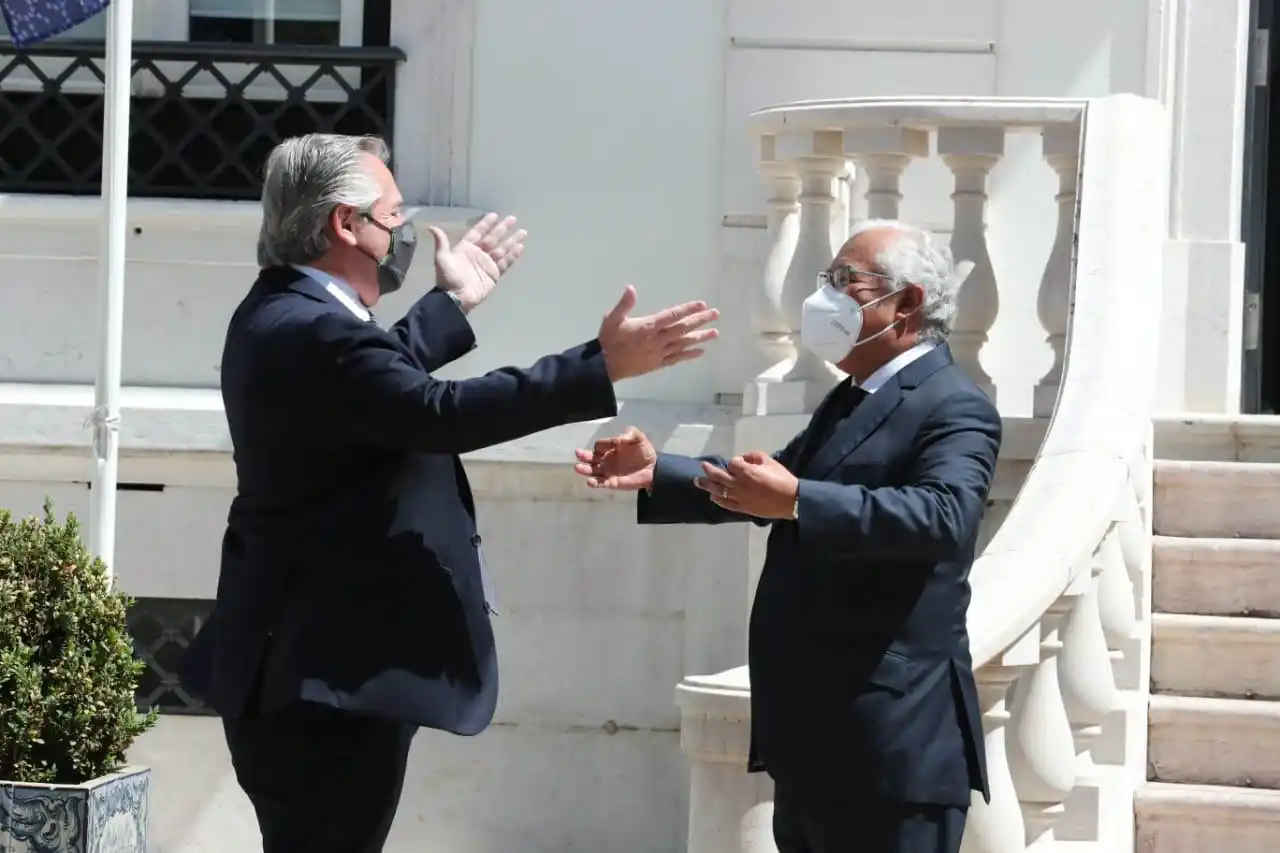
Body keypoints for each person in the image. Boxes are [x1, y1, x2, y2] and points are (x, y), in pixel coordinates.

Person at [179, 132, 719, 853]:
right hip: (321, 679)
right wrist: (600, 365)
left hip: (311, 669)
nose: (402, 230)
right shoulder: (315, 330)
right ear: (346, 224)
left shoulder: (288, 313)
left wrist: (452, 301)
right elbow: (434, 413)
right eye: (393, 215)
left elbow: (376, 390)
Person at [574, 220, 1000, 853]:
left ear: (907, 302)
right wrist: (659, 470)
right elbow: (766, 484)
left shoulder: (952, 404)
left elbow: (944, 516)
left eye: (845, 281)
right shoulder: (851, 396)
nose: (824, 297)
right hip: (817, 743)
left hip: (893, 746)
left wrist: (799, 501)